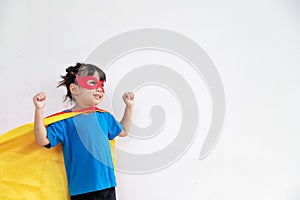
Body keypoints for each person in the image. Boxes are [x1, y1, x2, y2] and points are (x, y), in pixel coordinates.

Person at [32, 63, 134, 200]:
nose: (100, 89)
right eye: (93, 83)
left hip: (108, 185)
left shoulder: (104, 117)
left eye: (102, 85)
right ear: (74, 89)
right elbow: (42, 139)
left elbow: (124, 130)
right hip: (82, 189)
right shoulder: (65, 121)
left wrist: (129, 106)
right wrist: (39, 110)